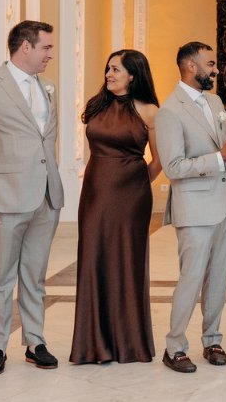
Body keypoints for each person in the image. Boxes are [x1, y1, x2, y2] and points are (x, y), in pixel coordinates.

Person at [0, 19, 64, 377]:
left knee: (35, 275)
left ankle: (35, 341)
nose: (51, 53)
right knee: (1, 277)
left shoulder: (49, 87)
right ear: (25, 47)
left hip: (46, 195)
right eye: (46, 47)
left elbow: (44, 140)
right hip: (4, 198)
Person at [154, 40, 226, 375]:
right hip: (193, 209)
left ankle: (212, 339)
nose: (216, 69)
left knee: (219, 278)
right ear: (191, 66)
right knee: (191, 279)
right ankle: (174, 346)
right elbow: (174, 167)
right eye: (210, 63)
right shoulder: (169, 111)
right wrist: (219, 157)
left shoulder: (215, 100)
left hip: (224, 206)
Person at [70, 49, 162, 364]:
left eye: (116, 70)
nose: (109, 74)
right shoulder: (96, 106)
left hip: (131, 198)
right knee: (93, 257)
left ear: (133, 75)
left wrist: (135, 186)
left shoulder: (149, 112)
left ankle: (129, 343)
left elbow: (159, 161)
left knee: (127, 261)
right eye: (108, 69)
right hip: (95, 193)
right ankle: (94, 343)